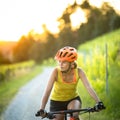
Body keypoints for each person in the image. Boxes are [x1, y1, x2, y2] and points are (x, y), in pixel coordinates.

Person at [36, 46, 105, 120]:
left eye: (64, 62)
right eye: (59, 61)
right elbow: (47, 91)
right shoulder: (56, 72)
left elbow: (89, 87)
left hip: (72, 99)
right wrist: (42, 109)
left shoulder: (79, 72)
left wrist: (99, 102)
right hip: (56, 102)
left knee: (74, 116)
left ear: (72, 63)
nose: (60, 64)